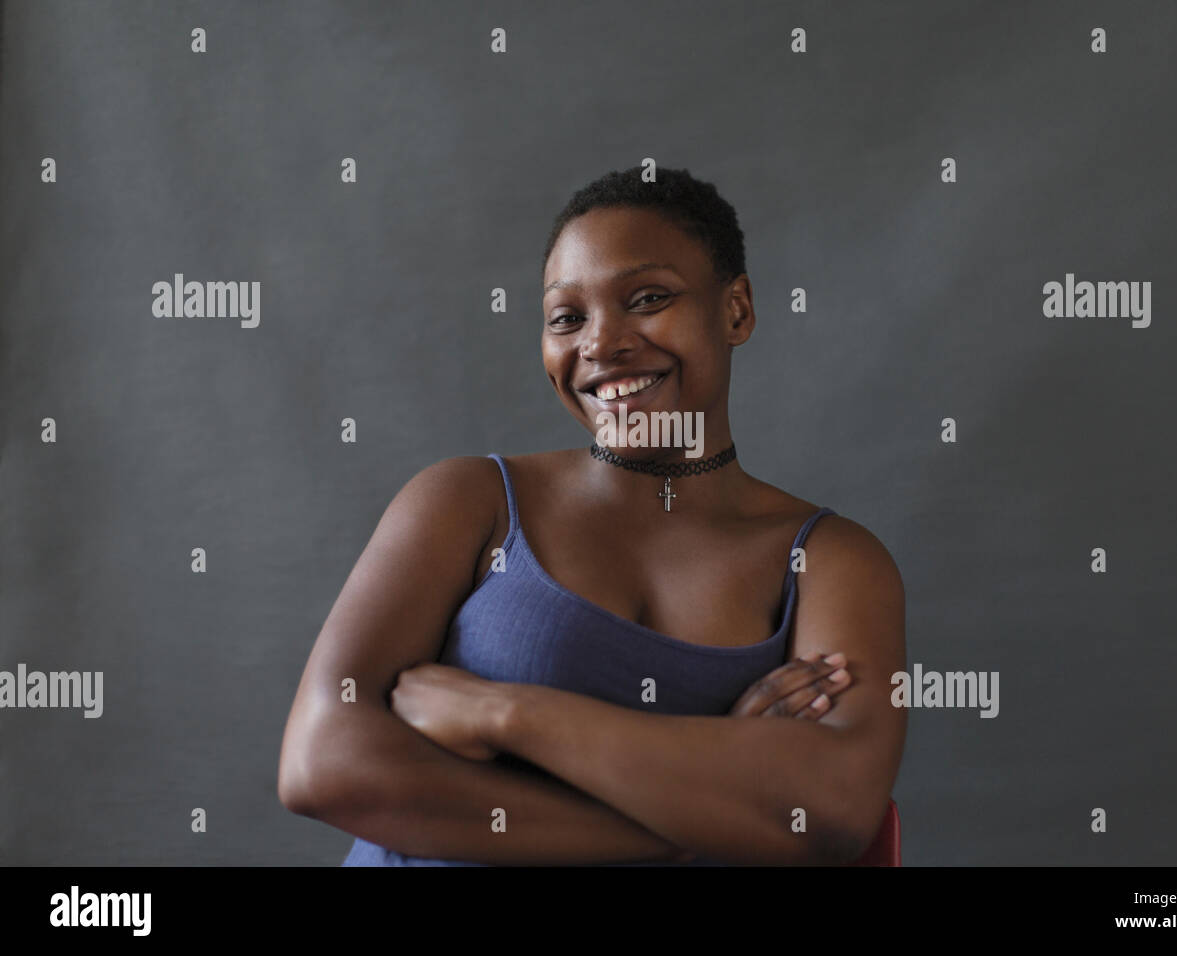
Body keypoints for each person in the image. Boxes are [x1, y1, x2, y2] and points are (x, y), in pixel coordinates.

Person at [277, 167, 906, 865]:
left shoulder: (829, 561)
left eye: (647, 298)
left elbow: (833, 814)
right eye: (566, 318)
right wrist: (704, 811)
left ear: (736, 310)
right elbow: (322, 765)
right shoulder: (469, 501)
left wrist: (505, 714)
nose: (600, 345)